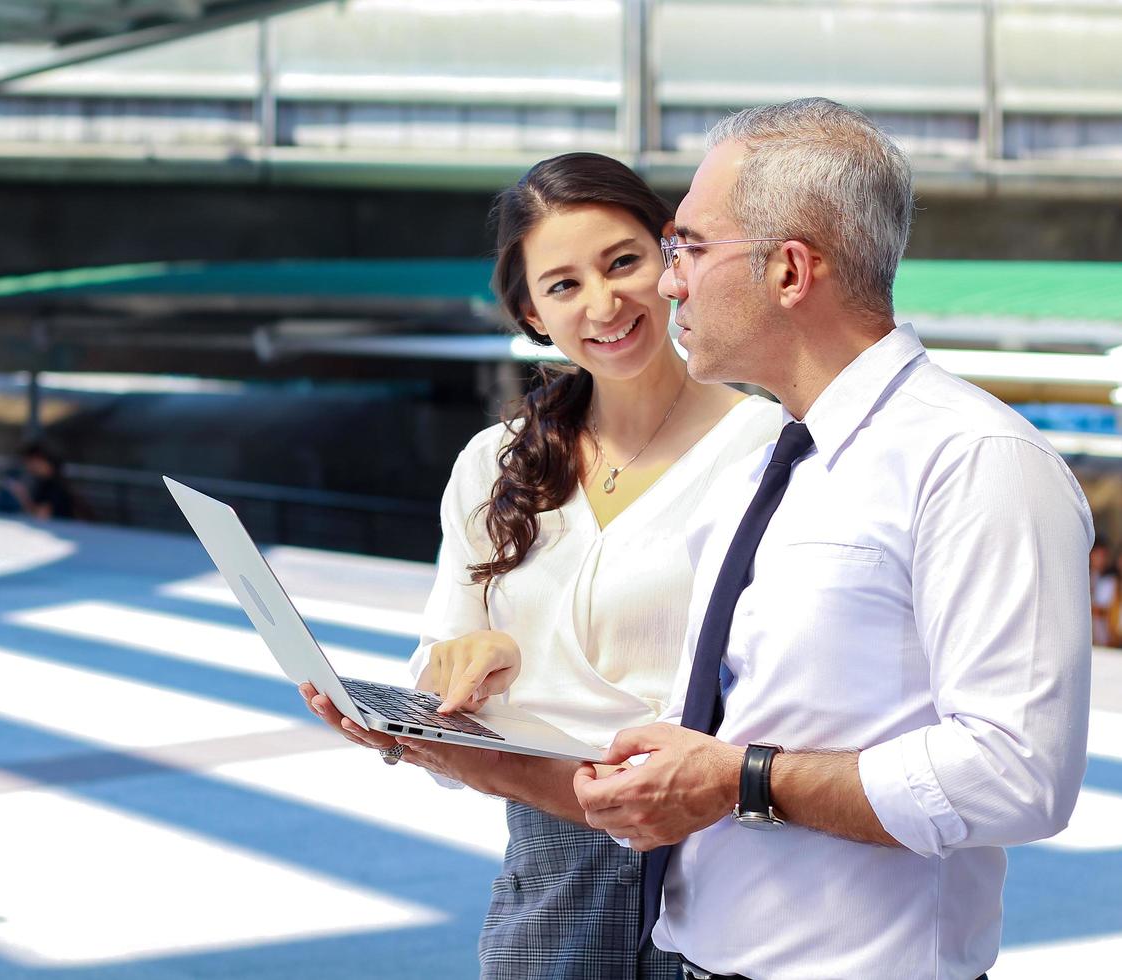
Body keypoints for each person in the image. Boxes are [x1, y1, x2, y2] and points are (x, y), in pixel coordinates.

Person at [571, 98, 1092, 980]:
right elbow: (745, 714)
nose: (667, 283)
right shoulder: (763, 467)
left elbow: (1018, 771)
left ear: (789, 271)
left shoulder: (974, 460)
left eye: (688, 248)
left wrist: (739, 780)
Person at [300, 151, 779, 979]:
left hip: (720, 864)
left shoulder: (767, 449)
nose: (603, 303)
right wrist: (465, 671)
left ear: (672, 258)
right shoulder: (496, 464)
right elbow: (439, 665)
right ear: (530, 312)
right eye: (563, 285)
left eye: (622, 262)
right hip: (549, 876)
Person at [1090, 536, 1114, 646]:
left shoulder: (1111, 581)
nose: (1101, 559)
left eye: (1104, 555)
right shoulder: (1083, 577)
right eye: (1098, 555)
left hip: (1106, 641)